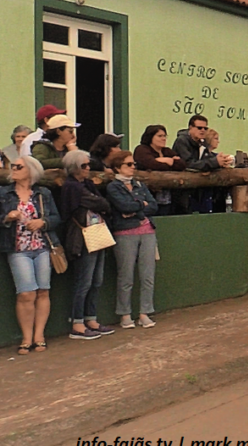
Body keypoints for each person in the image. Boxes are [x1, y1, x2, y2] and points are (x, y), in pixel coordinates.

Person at [0, 156, 60, 354]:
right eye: (13, 166)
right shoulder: (4, 193)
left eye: (19, 166)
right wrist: (7, 217)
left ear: (31, 171)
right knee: (26, 292)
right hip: (17, 248)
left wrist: (42, 223)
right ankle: (26, 337)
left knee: (43, 290)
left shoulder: (43, 193)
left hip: (41, 246)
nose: (14, 169)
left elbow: (55, 218)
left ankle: (39, 335)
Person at [60, 149, 114, 340]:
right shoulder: (71, 187)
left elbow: (103, 203)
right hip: (82, 237)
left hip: (97, 234)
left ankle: (91, 318)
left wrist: (97, 202)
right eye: (84, 166)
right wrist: (97, 202)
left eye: (88, 164)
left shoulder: (88, 184)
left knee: (96, 280)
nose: (88, 169)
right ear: (74, 167)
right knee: (84, 281)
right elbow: (99, 203)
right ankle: (77, 322)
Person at [105, 150, 159, 329]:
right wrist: (139, 206)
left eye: (133, 164)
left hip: (147, 231)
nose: (133, 167)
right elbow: (122, 205)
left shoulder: (140, 185)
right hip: (125, 233)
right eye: (128, 164)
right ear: (117, 167)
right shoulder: (113, 187)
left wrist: (133, 210)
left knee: (147, 275)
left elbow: (153, 206)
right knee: (125, 275)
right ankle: (125, 314)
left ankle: (145, 312)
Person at [171, 115, 233, 214]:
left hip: (198, 190)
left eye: (205, 128)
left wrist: (221, 163)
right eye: (199, 128)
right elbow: (188, 164)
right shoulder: (181, 141)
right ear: (191, 128)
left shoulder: (202, 143)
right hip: (182, 190)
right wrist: (215, 162)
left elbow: (205, 162)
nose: (203, 130)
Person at [133, 124, 186, 216]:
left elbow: (181, 164)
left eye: (165, 136)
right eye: (160, 136)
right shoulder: (141, 149)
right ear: (150, 137)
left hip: (169, 194)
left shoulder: (166, 151)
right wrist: (167, 161)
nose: (163, 139)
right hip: (149, 193)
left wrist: (161, 161)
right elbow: (149, 163)